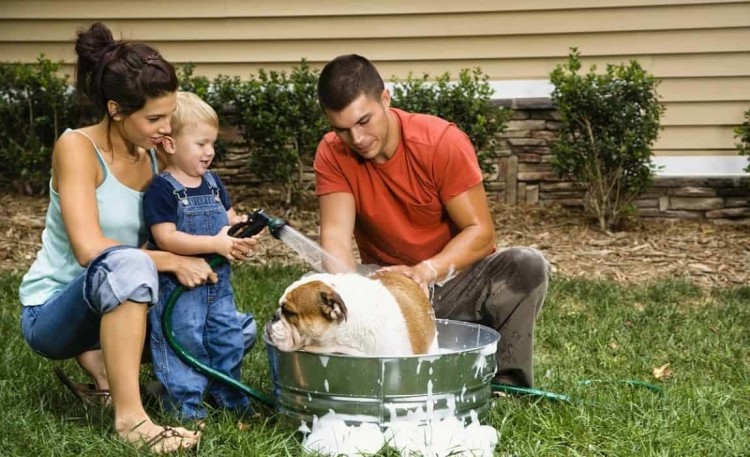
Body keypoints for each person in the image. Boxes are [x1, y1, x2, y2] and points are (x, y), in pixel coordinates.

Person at [17, 23, 249, 453]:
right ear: (116, 109)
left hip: (123, 298)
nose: (166, 129)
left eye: (170, 115)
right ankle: (132, 420)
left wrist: (225, 236)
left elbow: (178, 230)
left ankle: (110, 369)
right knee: (131, 263)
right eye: (155, 119)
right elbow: (90, 249)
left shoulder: (155, 157)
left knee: (236, 331)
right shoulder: (76, 148)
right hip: (54, 311)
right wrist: (171, 261)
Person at [313, 54, 550, 388]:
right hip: (389, 294)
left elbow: (480, 233)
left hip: (453, 285)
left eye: (364, 121)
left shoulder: (440, 142)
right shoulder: (332, 152)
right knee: (317, 288)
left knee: (527, 264)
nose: (357, 139)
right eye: (342, 129)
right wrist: (352, 299)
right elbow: (335, 237)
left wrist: (425, 271)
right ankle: (363, 370)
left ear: (386, 98)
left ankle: (505, 380)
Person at [143, 91, 255, 422]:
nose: (210, 152)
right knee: (184, 343)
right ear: (171, 145)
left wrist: (241, 229)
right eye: (201, 144)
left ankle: (231, 400)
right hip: (179, 289)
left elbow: (228, 219)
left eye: (212, 144)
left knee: (229, 338)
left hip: (218, 285)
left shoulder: (213, 183)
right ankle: (185, 409)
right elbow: (166, 237)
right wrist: (215, 243)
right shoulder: (161, 190)